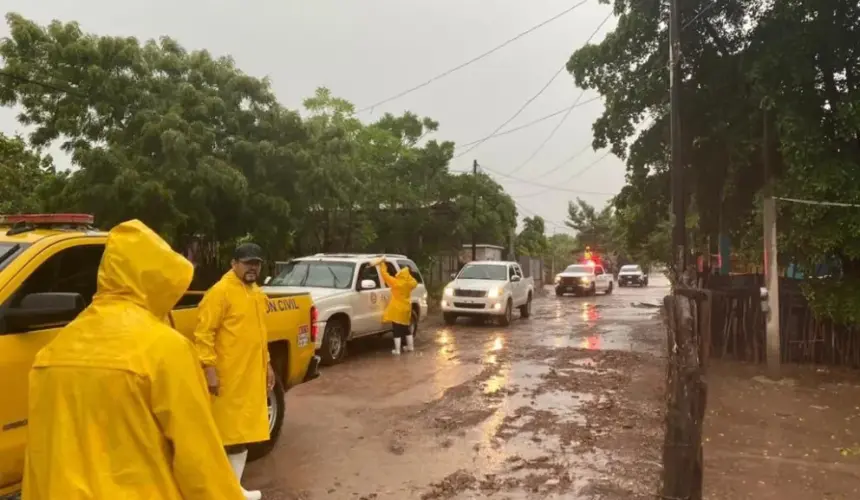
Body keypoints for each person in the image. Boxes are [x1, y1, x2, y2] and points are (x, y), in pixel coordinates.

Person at [22, 219, 244, 500]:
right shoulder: (166, 350)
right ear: (158, 282)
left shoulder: (52, 352)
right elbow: (199, 460)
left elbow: (39, 462)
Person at [194, 242, 274, 500]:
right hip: (228, 376)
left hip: (250, 374)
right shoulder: (220, 292)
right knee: (228, 435)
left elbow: (261, 335)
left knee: (243, 433)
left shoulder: (256, 293)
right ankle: (224, 491)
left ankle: (232, 489)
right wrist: (209, 368)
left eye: (256, 263)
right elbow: (203, 333)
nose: (252, 268)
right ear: (233, 264)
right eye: (247, 263)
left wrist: (268, 365)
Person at [374, 256, 418, 355]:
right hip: (406, 308)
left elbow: (385, 275)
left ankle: (397, 350)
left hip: (397, 309)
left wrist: (382, 264)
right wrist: (408, 276)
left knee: (397, 330)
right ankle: (410, 347)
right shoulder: (409, 284)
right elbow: (414, 282)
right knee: (406, 329)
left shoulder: (395, 282)